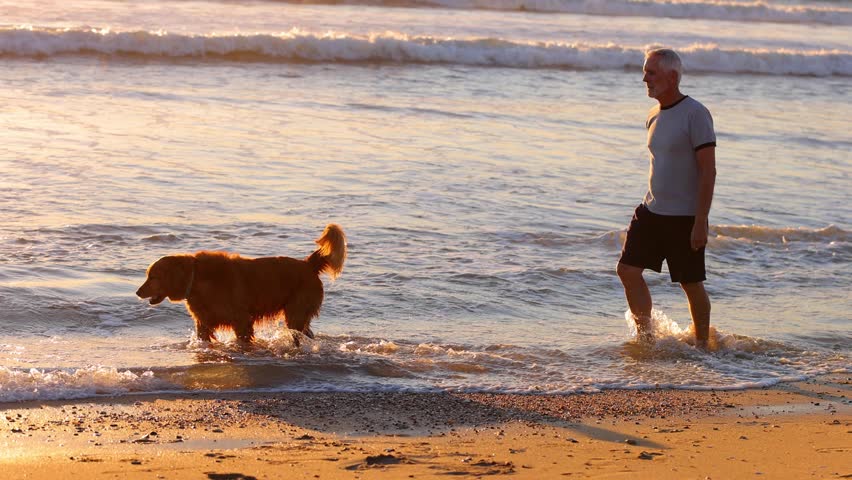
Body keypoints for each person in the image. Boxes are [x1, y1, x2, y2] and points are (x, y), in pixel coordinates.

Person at [616, 48, 717, 349]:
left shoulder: (695, 113)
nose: (644, 78)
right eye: (645, 71)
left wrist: (701, 221)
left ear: (672, 77)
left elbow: (708, 171)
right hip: (651, 210)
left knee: (690, 283)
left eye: (651, 72)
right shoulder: (653, 115)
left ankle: (702, 346)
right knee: (627, 270)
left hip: (684, 217)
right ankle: (647, 339)